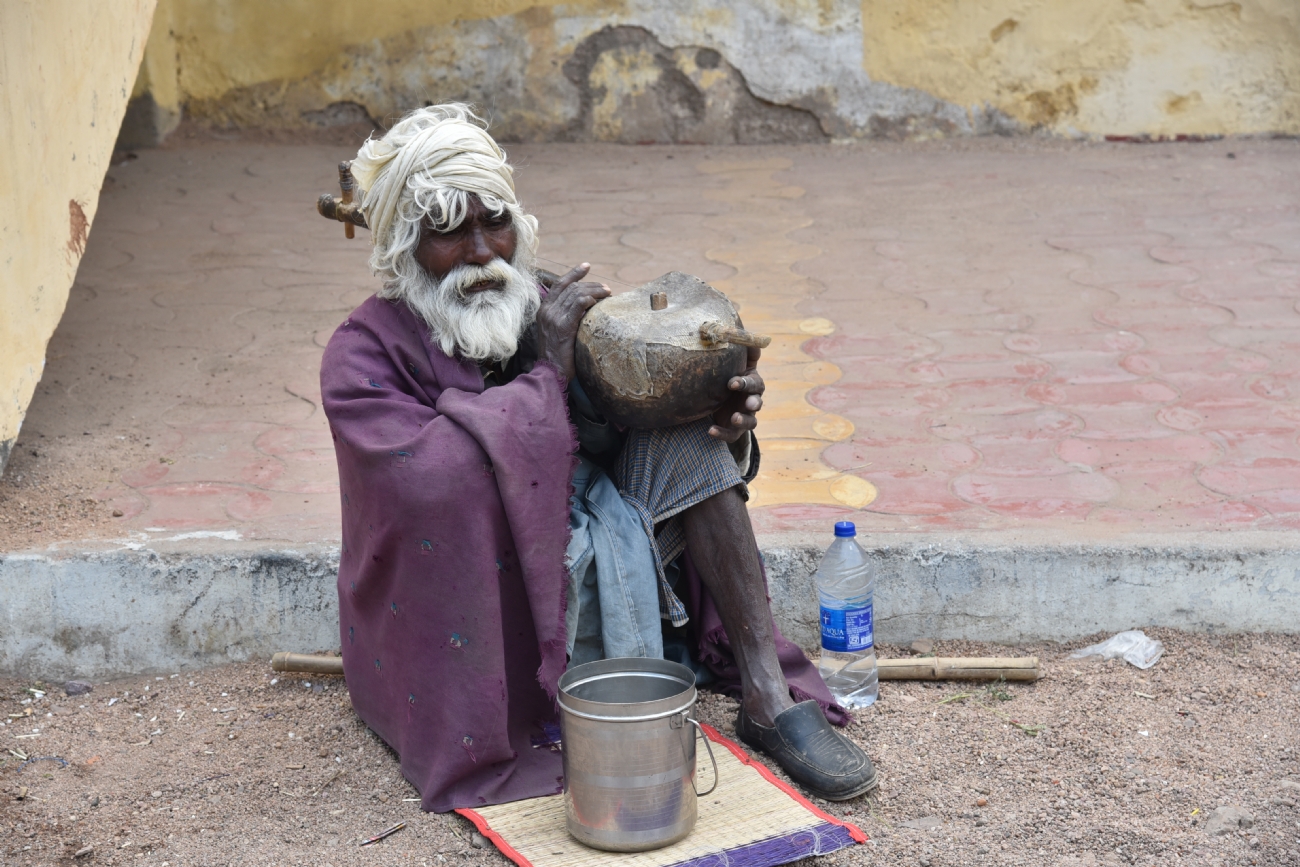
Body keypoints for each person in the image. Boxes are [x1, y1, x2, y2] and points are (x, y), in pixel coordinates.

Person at [320, 104, 877, 812]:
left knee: (684, 436)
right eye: (449, 233)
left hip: (598, 534)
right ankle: (550, 697)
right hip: (482, 593)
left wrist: (716, 411)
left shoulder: (544, 302)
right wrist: (544, 379)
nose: (483, 251)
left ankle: (766, 694)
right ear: (403, 247)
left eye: (495, 221)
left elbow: (629, 418)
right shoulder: (360, 356)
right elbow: (437, 485)